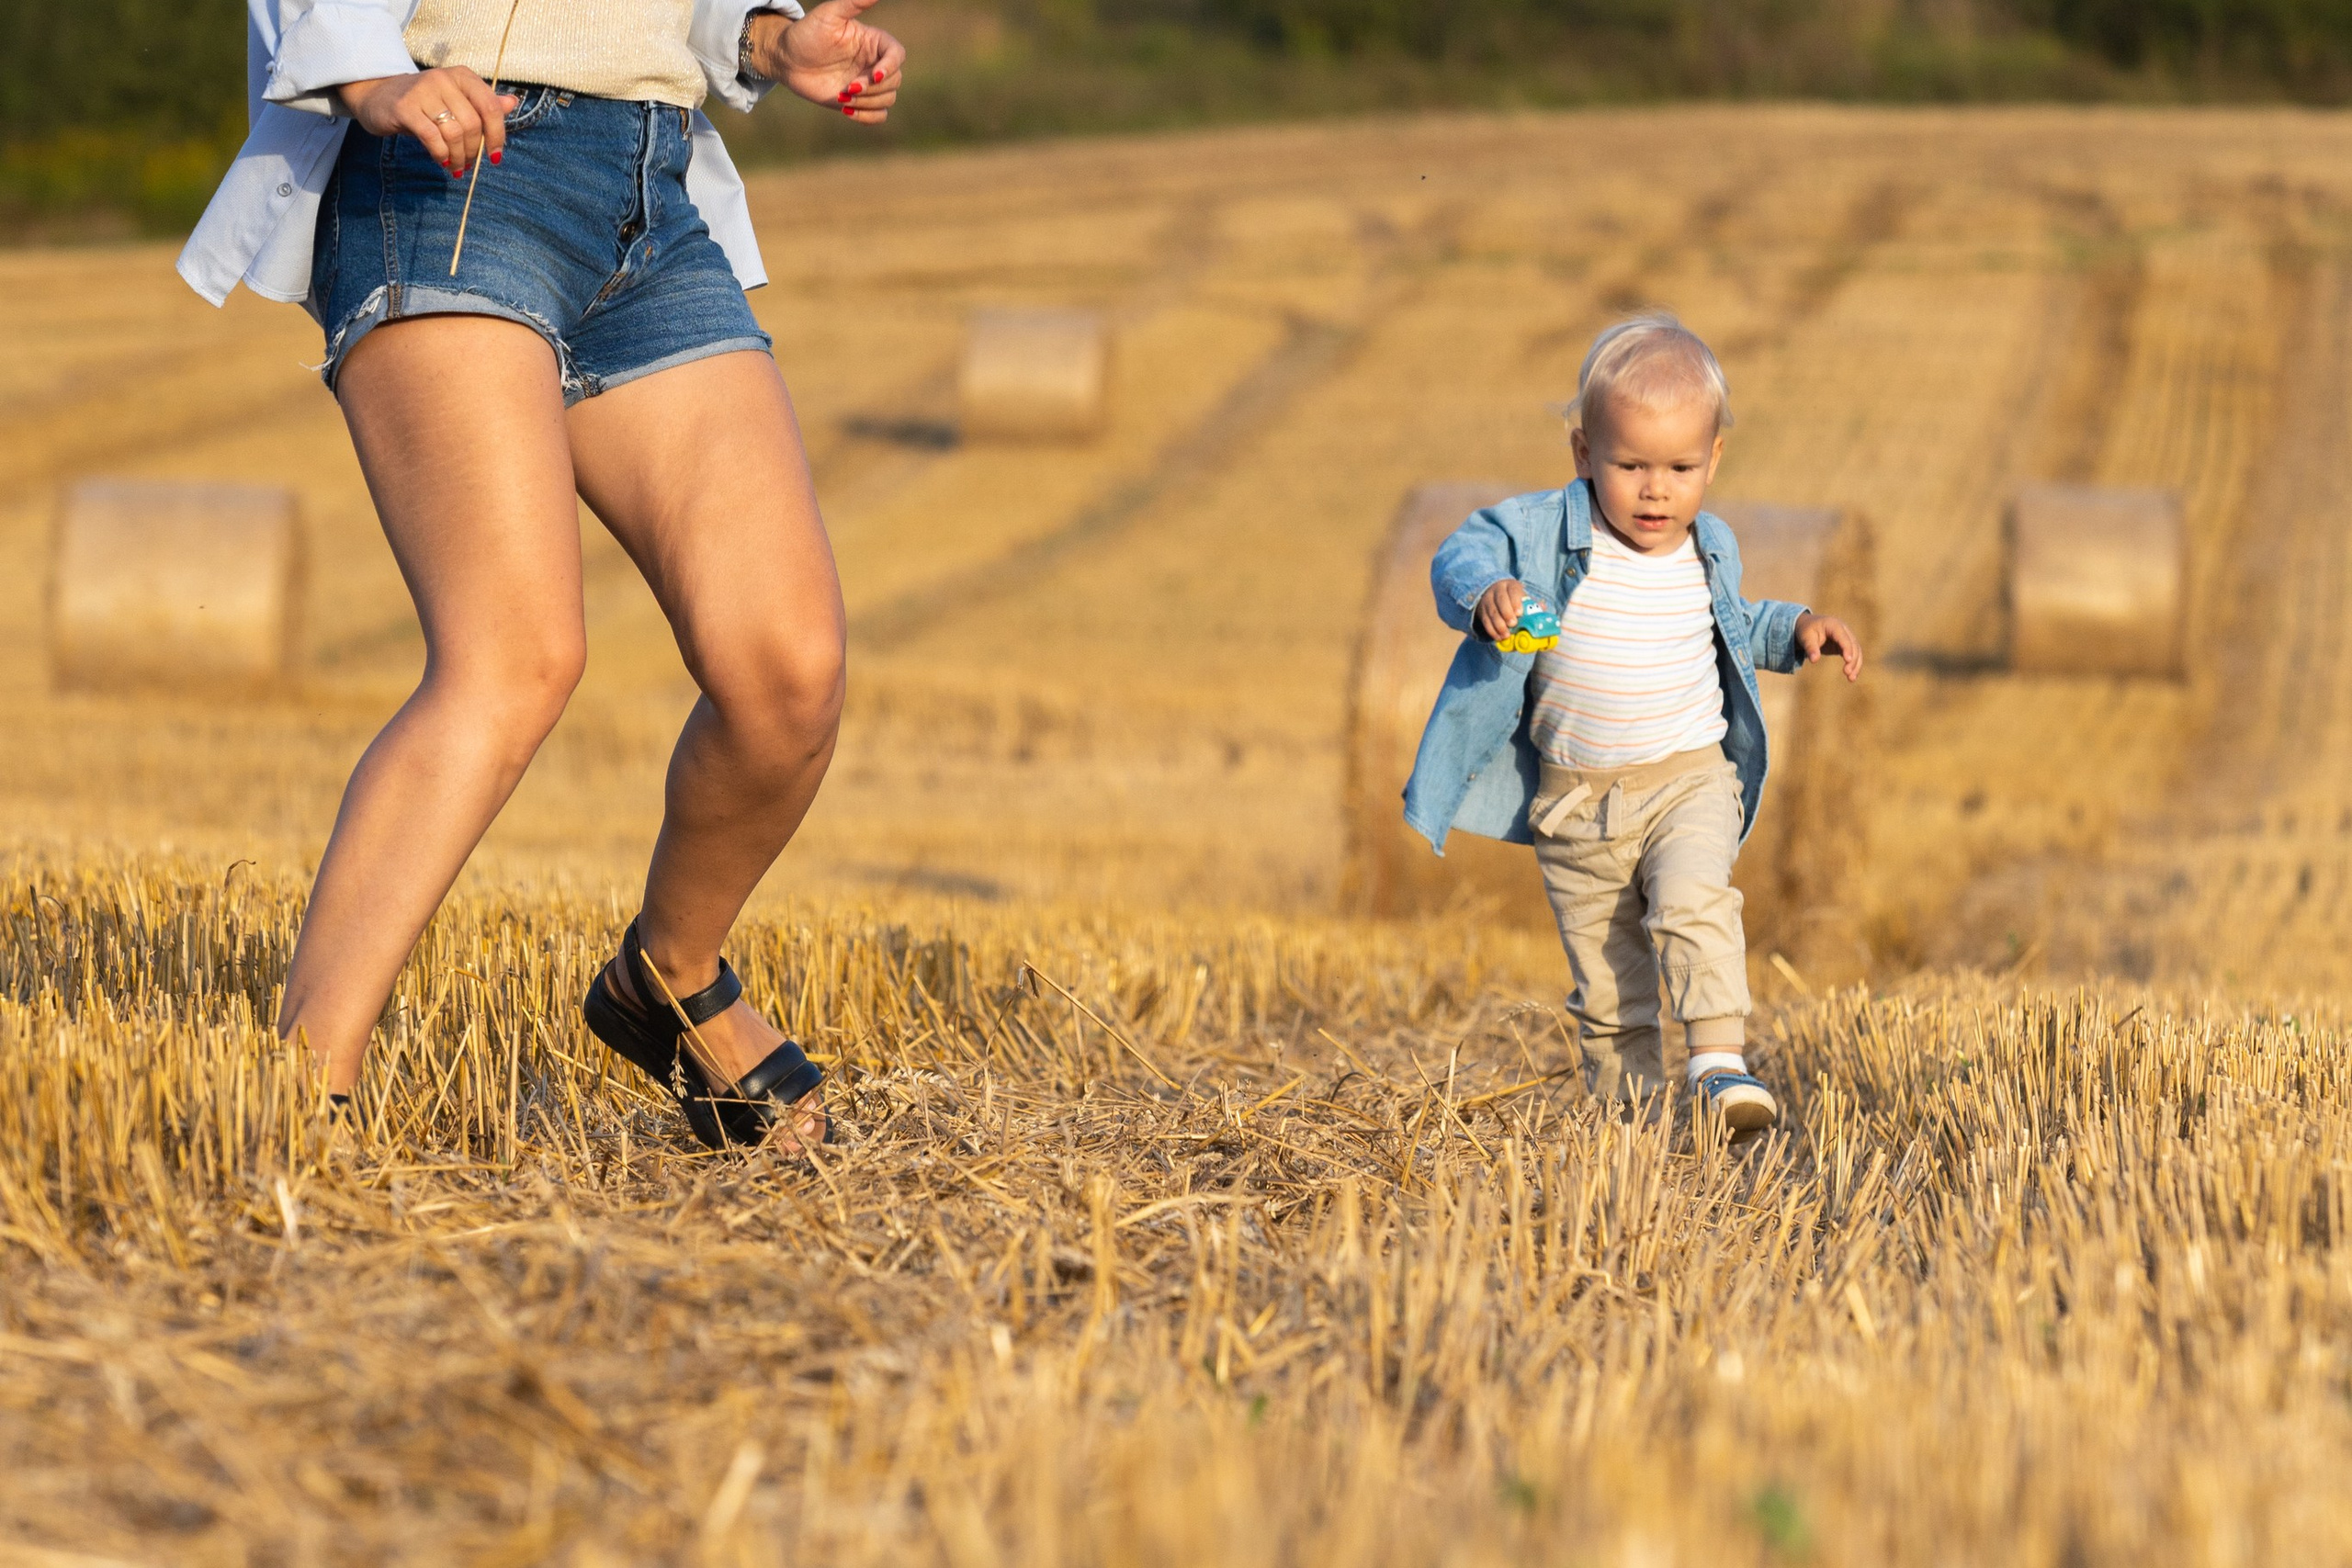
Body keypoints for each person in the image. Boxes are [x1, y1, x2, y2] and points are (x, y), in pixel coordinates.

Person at [176, 0, 910, 1155]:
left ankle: (668, 975)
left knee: (788, 674)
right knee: (512, 657)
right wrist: (368, 77)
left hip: (652, 197)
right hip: (456, 166)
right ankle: (291, 1101)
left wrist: (767, 38)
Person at [1402, 313, 1864, 1131]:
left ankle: (1719, 1062)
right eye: (1631, 465)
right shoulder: (1545, 534)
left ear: (1714, 459)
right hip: (1575, 807)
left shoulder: (1706, 548)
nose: (1657, 488)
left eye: (1681, 466)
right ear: (1584, 455)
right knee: (1612, 990)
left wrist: (1795, 631)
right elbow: (1459, 553)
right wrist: (1486, 595)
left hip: (1689, 777)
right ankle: (1636, 1129)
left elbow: (1738, 623)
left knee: (1694, 900)